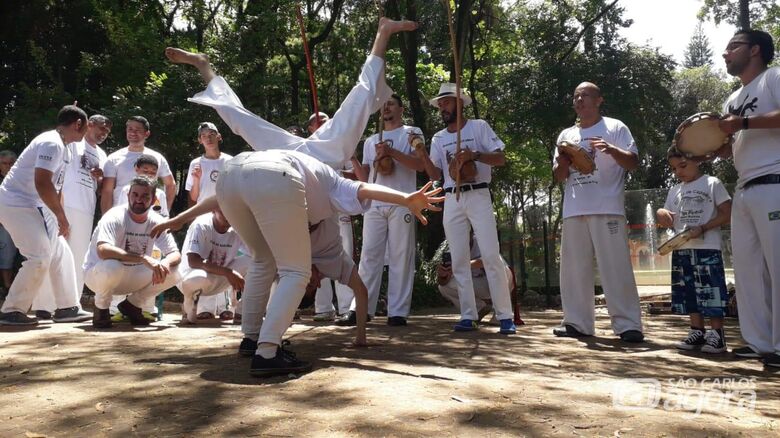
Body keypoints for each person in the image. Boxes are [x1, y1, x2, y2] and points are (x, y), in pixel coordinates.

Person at [152, 149, 442, 377]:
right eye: (314, 287)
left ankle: (251, 338)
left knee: (263, 258)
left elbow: (223, 194)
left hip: (232, 174)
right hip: (264, 178)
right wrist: (405, 197)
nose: (315, 282)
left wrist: (177, 219)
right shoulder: (330, 180)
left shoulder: (302, 172)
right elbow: (363, 188)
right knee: (295, 270)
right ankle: (266, 352)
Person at [417, 82, 516, 335]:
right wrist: (422, 154)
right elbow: (436, 174)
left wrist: (474, 155)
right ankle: (468, 315)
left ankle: (505, 317)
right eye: (440, 103)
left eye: (447, 101)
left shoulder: (479, 127)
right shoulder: (438, 138)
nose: (442, 107)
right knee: (459, 258)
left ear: (460, 103)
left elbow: (501, 158)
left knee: (491, 254)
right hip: (452, 198)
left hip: (479, 194)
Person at [551, 81, 643, 342]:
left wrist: (611, 149)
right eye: (576, 96)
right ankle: (577, 323)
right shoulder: (565, 136)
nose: (579, 100)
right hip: (574, 209)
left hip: (607, 207)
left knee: (615, 267)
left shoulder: (615, 127)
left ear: (599, 100)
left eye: (585, 95)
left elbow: (633, 162)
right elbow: (558, 176)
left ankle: (628, 325)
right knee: (574, 269)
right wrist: (563, 162)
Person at [717, 29, 780, 366]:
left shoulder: (774, 77)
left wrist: (742, 122)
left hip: (775, 180)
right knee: (748, 271)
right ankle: (759, 342)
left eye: (732, 47)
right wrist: (709, 147)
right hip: (744, 186)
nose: (725, 53)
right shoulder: (731, 99)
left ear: (755, 49)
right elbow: (730, 149)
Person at [0, 105, 92, 325]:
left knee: (60, 251)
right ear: (77, 124)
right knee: (39, 256)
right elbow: (41, 182)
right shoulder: (51, 142)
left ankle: (68, 307)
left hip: (35, 204)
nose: (87, 131)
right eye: (86, 127)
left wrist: (59, 216)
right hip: (15, 203)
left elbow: (55, 185)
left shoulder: (65, 146)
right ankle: (11, 310)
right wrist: (61, 216)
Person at [345, 94, 424, 326]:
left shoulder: (412, 132)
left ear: (401, 108)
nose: (386, 108)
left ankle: (397, 312)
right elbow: (366, 177)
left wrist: (391, 153)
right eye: (382, 105)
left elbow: (420, 165)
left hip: (403, 200)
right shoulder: (371, 141)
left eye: (390, 103)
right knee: (369, 256)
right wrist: (355, 161)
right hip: (375, 202)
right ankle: (361, 309)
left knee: (401, 255)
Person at [32, 115, 111, 318]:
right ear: (88, 124)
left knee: (77, 258)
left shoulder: (102, 154)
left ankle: (70, 305)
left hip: (86, 209)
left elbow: (103, 189)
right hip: (62, 205)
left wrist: (101, 178)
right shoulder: (73, 143)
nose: (103, 133)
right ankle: (43, 306)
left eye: (107, 132)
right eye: (101, 128)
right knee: (52, 253)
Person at [656, 147, 731, 353]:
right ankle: (697, 330)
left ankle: (717, 334)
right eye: (673, 168)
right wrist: (661, 213)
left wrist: (704, 228)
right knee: (688, 291)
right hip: (681, 248)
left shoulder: (712, 183)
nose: (678, 172)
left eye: (683, 165)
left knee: (711, 290)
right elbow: (666, 215)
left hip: (707, 247)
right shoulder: (675, 190)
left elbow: (728, 213)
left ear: (696, 160)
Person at [84, 175, 181, 328]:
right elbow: (103, 250)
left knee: (176, 270)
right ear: (128, 195)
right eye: (135, 195)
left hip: (134, 277)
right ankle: (101, 309)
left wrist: (165, 263)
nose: (139, 200)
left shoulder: (157, 221)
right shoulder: (115, 216)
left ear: (154, 198)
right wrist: (143, 258)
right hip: (100, 276)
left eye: (145, 196)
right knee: (111, 265)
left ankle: (133, 305)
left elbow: (175, 253)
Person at [177, 207, 248, 323]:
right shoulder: (201, 224)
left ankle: (242, 311)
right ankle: (189, 303)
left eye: (232, 210)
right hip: (191, 277)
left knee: (256, 262)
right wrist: (228, 272)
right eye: (224, 210)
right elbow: (193, 261)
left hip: (219, 279)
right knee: (198, 276)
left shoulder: (239, 227)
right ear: (213, 210)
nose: (228, 214)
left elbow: (255, 255)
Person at [100, 116, 176, 214]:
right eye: (130, 129)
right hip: (121, 214)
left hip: (149, 215)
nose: (133, 132)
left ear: (147, 133)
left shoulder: (157, 157)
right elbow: (107, 191)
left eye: (137, 130)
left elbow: (170, 184)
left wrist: (165, 211)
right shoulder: (114, 158)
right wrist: (106, 217)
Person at [436, 236, 513, 324]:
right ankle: (478, 309)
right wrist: (442, 275)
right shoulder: (453, 250)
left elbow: (488, 261)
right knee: (444, 287)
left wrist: (461, 265)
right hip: (479, 284)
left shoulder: (482, 240)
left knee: (503, 269)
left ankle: (501, 313)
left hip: (498, 282)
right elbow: (442, 283)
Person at [185, 122, 232, 206]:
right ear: (200, 140)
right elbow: (193, 198)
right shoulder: (195, 164)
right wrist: (196, 179)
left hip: (226, 212)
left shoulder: (231, 161)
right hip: (204, 214)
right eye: (204, 136)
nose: (208, 138)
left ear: (219, 136)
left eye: (212, 134)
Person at [0, 150, 19, 297]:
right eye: (4, 163)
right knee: (6, 255)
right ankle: (7, 287)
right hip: (4, 223)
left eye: (11, 163)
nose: (8, 166)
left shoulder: (23, 178)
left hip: (24, 221)